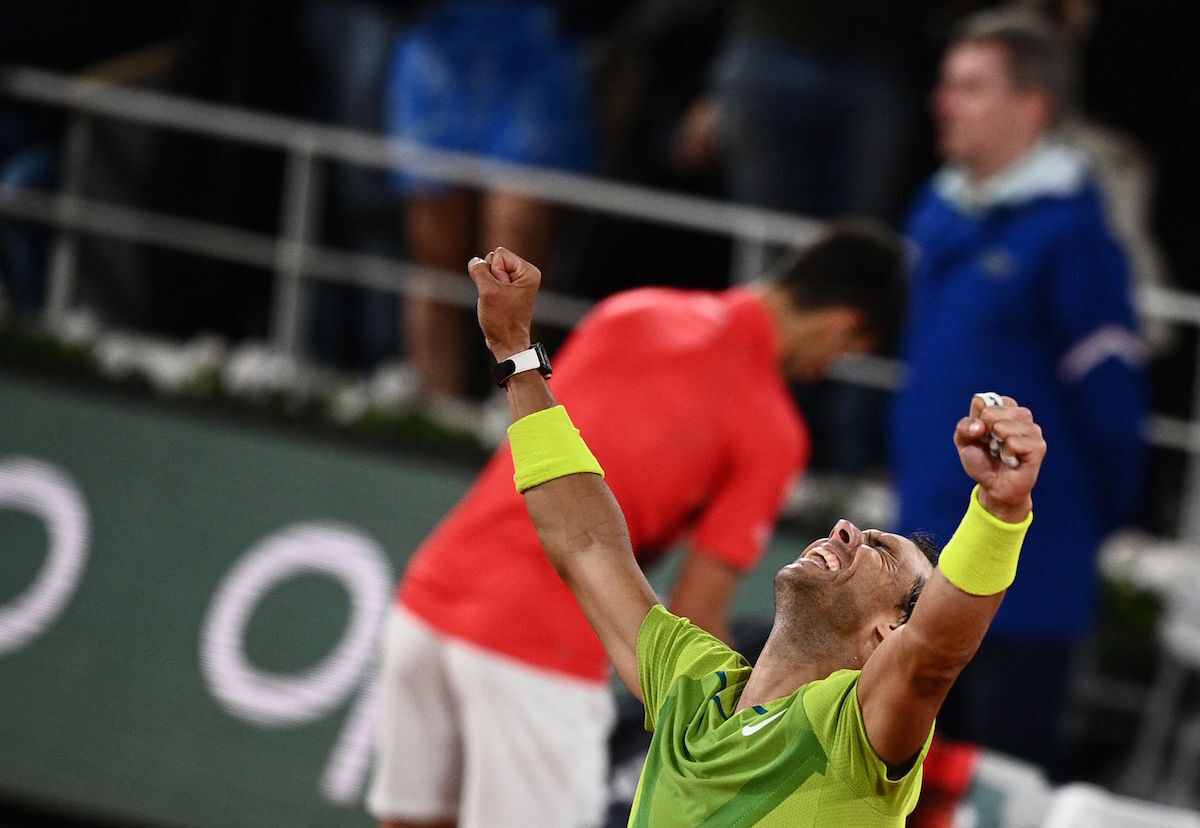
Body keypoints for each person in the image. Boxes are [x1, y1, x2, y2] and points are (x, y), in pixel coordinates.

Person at [462, 245, 1046, 825]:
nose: (845, 529)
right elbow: (586, 542)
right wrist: (514, 351)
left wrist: (999, 511)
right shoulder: (692, 683)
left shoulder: (855, 731)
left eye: (881, 553)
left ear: (890, 631)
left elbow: (935, 655)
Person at [367, 222, 908, 827]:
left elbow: (540, 446)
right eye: (843, 353)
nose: (821, 370)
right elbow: (697, 611)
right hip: (541, 648)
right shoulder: (771, 430)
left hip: (430, 598)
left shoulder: (633, 308)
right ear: (840, 324)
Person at [891, 5, 1148, 774]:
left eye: (971, 87)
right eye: (947, 84)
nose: (943, 102)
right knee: (896, 778)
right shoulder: (934, 211)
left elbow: (1114, 413)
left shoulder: (1075, 238)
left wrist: (1083, 528)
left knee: (1000, 787)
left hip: (1028, 582)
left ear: (1032, 106)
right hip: (923, 555)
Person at [381, 0, 601, 404]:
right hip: (440, 49)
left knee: (515, 268)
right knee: (435, 264)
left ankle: (515, 417)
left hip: (534, 55)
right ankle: (436, 414)